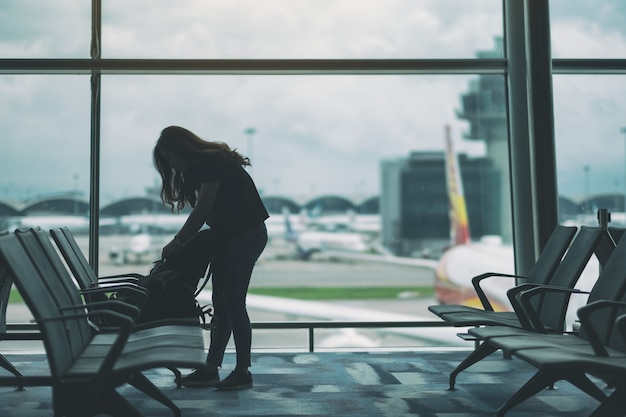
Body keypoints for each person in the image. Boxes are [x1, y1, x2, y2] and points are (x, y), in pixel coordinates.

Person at [153, 125, 269, 390]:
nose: (171, 164)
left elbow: (203, 210)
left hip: (244, 235)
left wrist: (178, 241)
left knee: (233, 303)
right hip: (230, 237)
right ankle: (212, 367)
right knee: (222, 302)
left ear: (181, 149)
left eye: (170, 157)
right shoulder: (203, 167)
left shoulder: (212, 161)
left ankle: (242, 371)